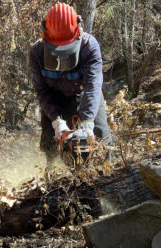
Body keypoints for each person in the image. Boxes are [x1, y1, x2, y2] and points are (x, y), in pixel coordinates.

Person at [29, 2, 111, 168]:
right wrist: (57, 121)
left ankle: (106, 174)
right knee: (49, 143)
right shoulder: (37, 53)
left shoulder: (89, 47)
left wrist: (88, 122)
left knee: (102, 136)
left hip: (83, 94)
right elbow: (42, 90)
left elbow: (93, 85)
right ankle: (53, 177)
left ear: (78, 33)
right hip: (55, 98)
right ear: (45, 38)